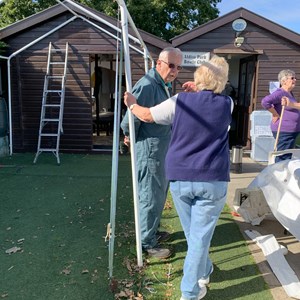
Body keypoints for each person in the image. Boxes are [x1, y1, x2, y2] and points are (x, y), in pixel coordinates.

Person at [124, 55, 232, 300]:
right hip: (212, 178)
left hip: (180, 177)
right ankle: (195, 284)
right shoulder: (228, 104)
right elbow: (209, 98)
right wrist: (202, 90)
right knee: (198, 237)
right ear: (222, 81)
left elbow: (147, 115)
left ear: (197, 78)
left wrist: (131, 104)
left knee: (194, 236)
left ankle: (197, 280)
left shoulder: (178, 101)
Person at [120, 47, 183, 259]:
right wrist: (132, 140)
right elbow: (128, 121)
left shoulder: (162, 85)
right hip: (150, 152)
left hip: (159, 151)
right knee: (149, 196)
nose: (174, 71)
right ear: (159, 64)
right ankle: (147, 243)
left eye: (178, 67)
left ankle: (152, 232)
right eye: (171, 65)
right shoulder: (147, 85)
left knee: (158, 195)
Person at [261, 69, 300, 162]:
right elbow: (265, 102)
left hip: (290, 131)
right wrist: (275, 114)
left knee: (286, 157)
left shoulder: (289, 93)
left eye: (295, 78)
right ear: (283, 81)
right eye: (292, 78)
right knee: (283, 157)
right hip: (284, 131)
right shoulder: (280, 93)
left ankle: (282, 175)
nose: (295, 80)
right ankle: (278, 175)